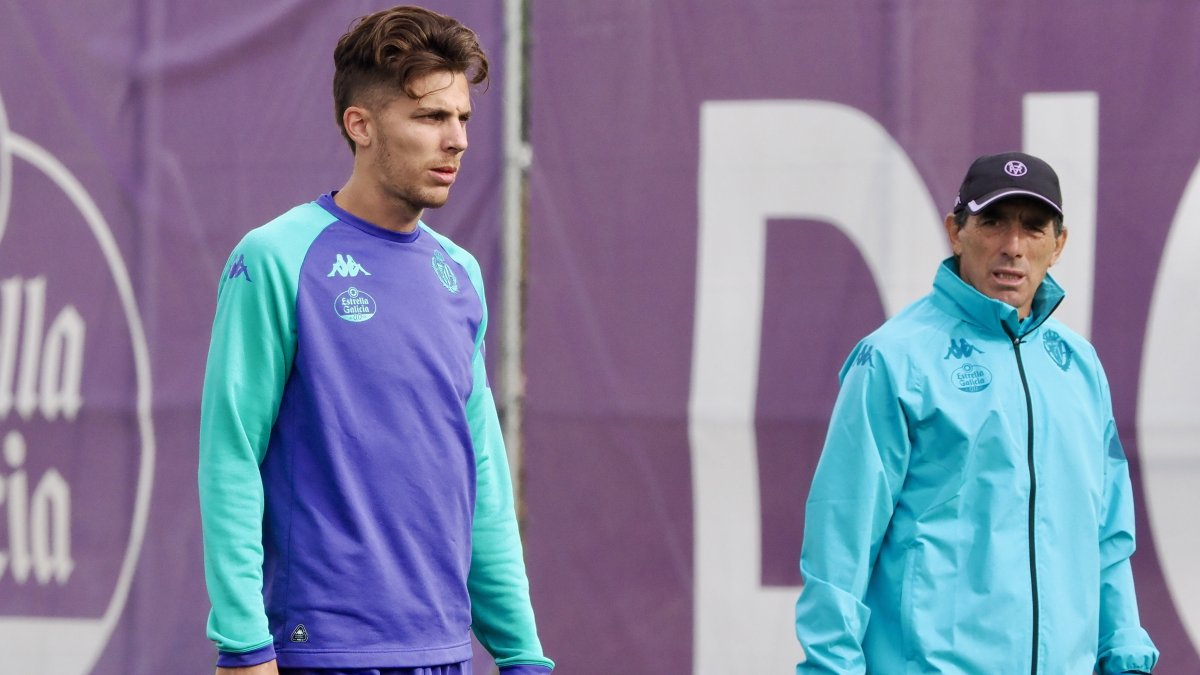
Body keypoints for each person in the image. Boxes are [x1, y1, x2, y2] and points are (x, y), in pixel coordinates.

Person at [198, 6, 553, 675]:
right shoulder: (276, 257)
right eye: (430, 118)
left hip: (447, 654)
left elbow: (481, 475)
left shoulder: (461, 274)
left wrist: (521, 652)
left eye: (463, 118)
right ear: (359, 125)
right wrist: (244, 645)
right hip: (318, 654)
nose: (457, 141)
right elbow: (230, 456)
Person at [794, 152, 1159, 674]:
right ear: (956, 231)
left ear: (1058, 245)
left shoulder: (1078, 365)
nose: (1013, 247)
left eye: (1034, 229)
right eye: (992, 222)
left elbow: (1105, 534)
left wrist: (1124, 653)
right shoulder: (893, 360)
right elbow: (840, 540)